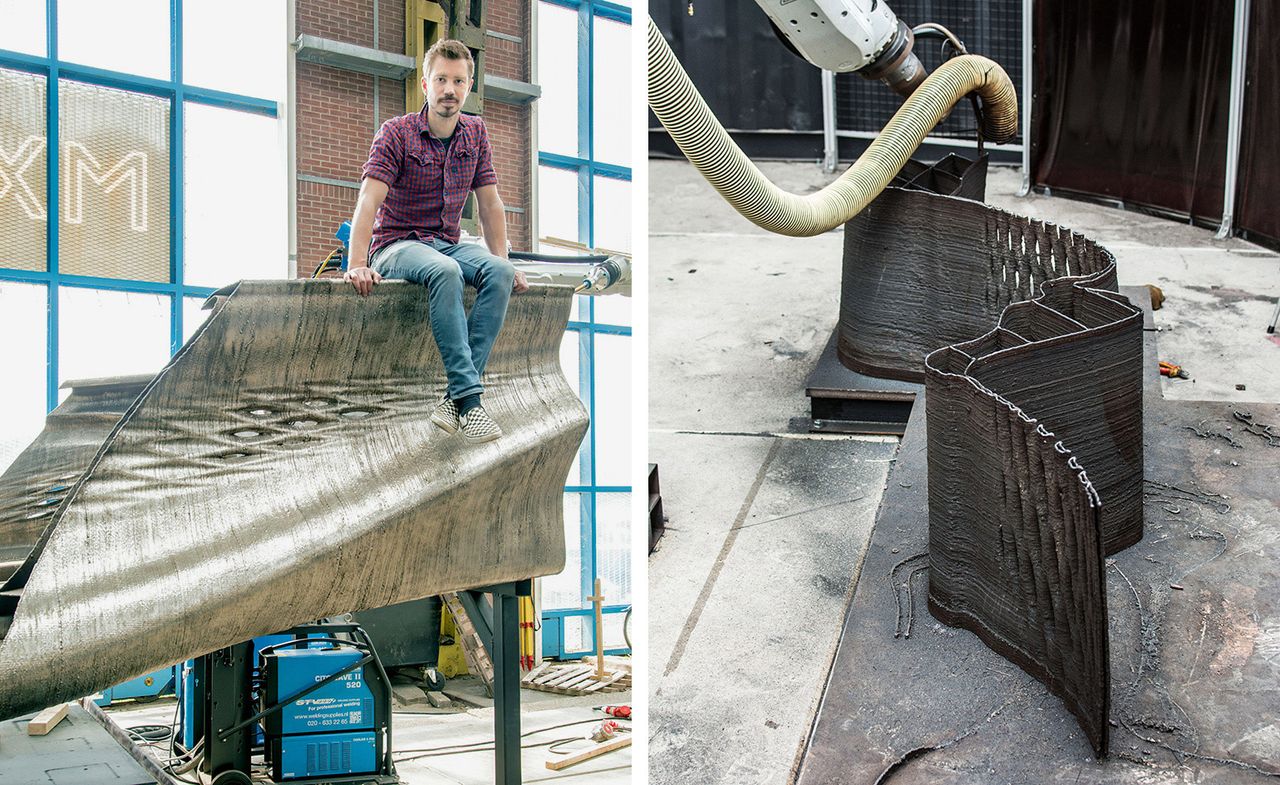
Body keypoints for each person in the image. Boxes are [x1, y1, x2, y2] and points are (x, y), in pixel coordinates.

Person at [344, 38, 528, 444]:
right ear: (425, 85)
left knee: (498, 271)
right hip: (396, 245)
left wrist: (504, 258)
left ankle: (454, 399)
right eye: (441, 79)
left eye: (458, 81)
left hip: (445, 241)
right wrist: (357, 262)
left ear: (469, 86)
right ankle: (472, 403)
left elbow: (491, 204)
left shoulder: (475, 134)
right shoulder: (397, 134)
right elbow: (369, 200)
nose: (449, 89)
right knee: (443, 271)